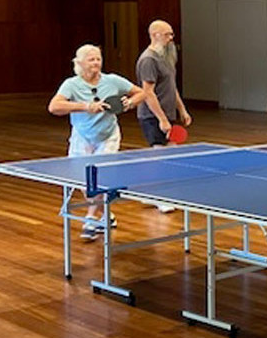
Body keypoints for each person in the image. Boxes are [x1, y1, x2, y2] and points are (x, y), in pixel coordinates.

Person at [48, 44, 145, 240]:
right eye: (91, 59)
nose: (96, 63)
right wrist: (86, 106)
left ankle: (91, 218)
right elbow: (54, 107)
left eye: (98, 59)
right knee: (84, 181)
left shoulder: (113, 81)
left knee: (99, 177)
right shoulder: (71, 84)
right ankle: (106, 216)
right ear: (80, 63)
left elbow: (141, 92)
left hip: (108, 136)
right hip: (82, 135)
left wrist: (131, 102)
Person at [136, 19, 191, 213]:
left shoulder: (166, 58)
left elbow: (171, 87)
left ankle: (149, 193)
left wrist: (181, 110)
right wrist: (162, 119)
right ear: (155, 35)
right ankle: (160, 197)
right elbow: (148, 92)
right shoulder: (148, 60)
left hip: (167, 113)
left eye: (171, 34)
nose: (171, 38)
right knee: (161, 155)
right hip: (151, 116)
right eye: (167, 34)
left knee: (168, 154)